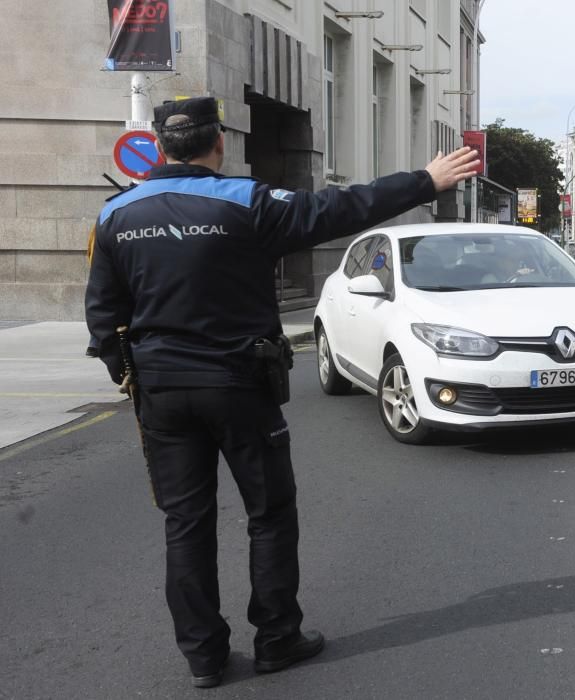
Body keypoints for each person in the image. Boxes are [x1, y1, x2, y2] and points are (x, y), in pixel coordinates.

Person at [85, 96, 479, 688]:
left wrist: (131, 371)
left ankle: (203, 657)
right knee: (268, 513)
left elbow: (102, 314)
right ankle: (276, 637)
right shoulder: (247, 202)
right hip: (240, 383)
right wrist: (424, 180)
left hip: (163, 391)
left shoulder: (116, 214)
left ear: (160, 147)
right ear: (219, 143)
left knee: (185, 522)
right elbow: (339, 209)